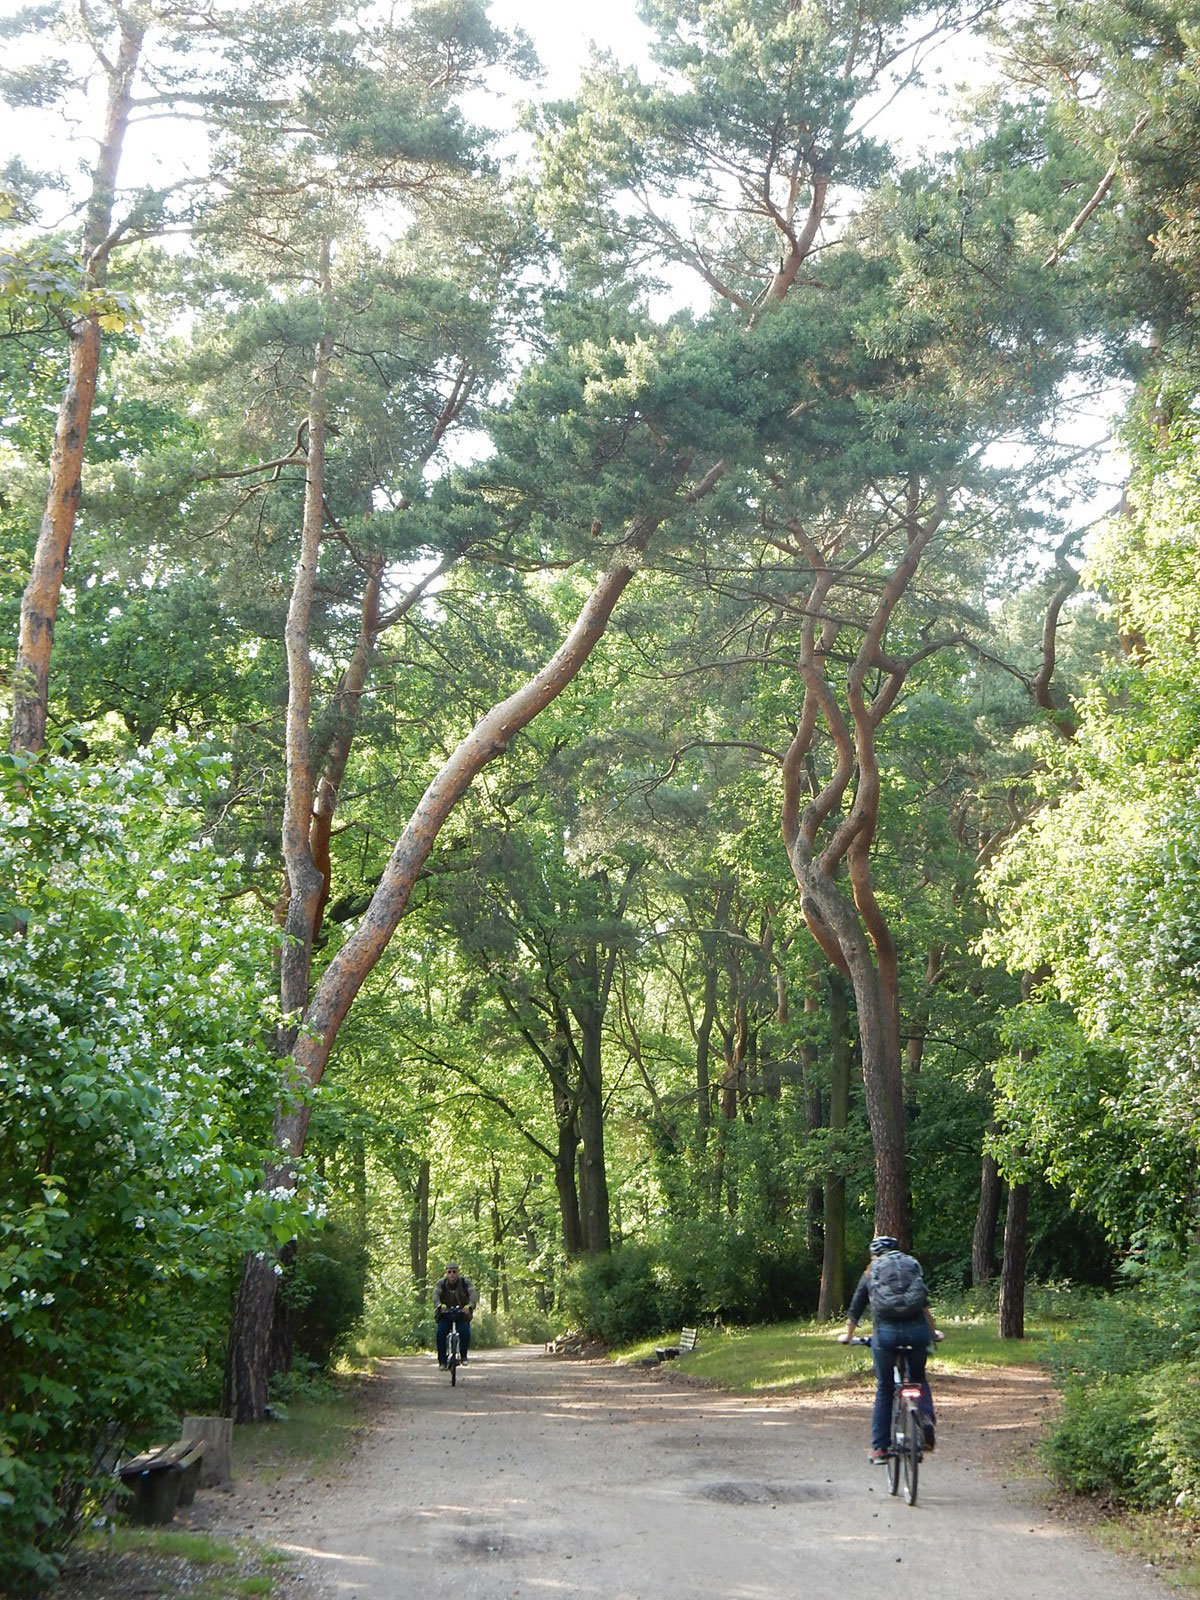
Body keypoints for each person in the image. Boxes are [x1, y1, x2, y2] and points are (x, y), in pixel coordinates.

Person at [836, 1235, 943, 1463]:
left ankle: (880, 1449)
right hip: (917, 1333)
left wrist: (848, 1336)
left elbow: (855, 1309)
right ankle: (924, 1419)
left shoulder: (870, 1272)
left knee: (885, 1387)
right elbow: (924, 1306)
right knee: (918, 1378)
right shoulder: (910, 1267)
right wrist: (933, 1333)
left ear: (874, 1255)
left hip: (886, 1335)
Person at [433, 1262, 478, 1368]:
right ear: (446, 1273)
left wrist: (470, 1306)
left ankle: (463, 1356)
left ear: (458, 1272)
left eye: (454, 1272)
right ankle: (442, 1362)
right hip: (445, 1313)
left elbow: (473, 1294)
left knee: (465, 1332)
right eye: (449, 1272)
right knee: (440, 1333)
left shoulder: (465, 1282)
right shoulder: (441, 1283)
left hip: (462, 1313)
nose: (452, 1274)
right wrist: (439, 1305)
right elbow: (435, 1294)